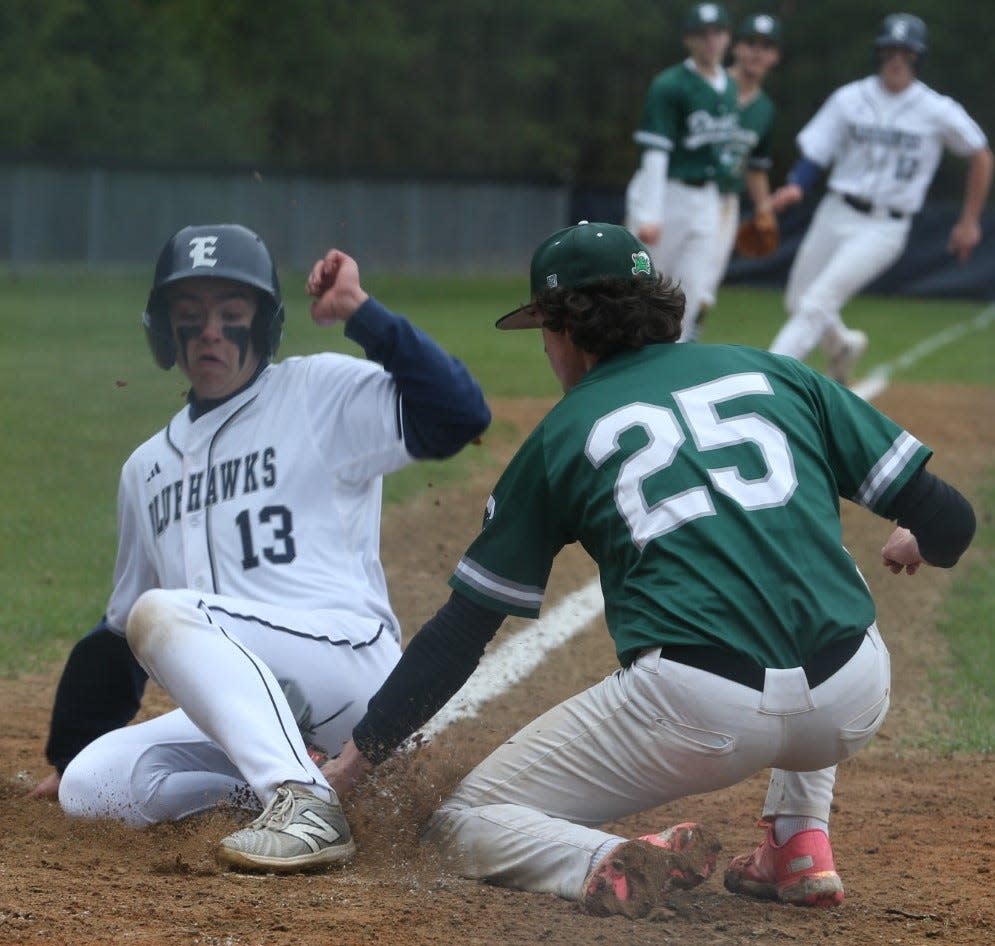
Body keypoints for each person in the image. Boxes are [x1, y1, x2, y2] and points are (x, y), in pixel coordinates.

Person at [320, 220, 976, 917]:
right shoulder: (780, 374)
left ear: (565, 329)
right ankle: (797, 839)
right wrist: (916, 537)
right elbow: (951, 523)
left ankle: (602, 860)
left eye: (542, 330)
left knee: (460, 824)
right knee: (806, 555)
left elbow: (464, 629)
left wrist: (352, 764)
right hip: (851, 699)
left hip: (695, 713)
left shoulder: (563, 432)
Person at [54, 223, 491, 873]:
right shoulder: (144, 469)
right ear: (162, 330)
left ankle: (305, 801)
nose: (209, 332)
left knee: (164, 612)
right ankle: (282, 788)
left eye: (231, 314)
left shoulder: (316, 393)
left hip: (345, 670)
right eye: (190, 316)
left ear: (261, 325)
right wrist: (66, 751)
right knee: (90, 788)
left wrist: (360, 313)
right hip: (248, 715)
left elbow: (458, 414)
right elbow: (119, 632)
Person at [768, 13, 993, 384]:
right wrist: (796, 184)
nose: (896, 59)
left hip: (884, 226)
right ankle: (841, 345)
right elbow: (816, 152)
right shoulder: (850, 98)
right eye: (889, 50)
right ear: (878, 54)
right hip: (836, 209)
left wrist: (969, 221)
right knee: (797, 299)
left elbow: (980, 153)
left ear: (919, 58)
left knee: (816, 304)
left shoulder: (936, 109)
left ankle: (766, 378)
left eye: (906, 52)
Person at [623, 3, 742, 343]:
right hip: (668, 193)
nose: (710, 41)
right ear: (688, 40)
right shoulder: (670, 85)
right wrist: (649, 213)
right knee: (645, 288)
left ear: (727, 38)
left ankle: (672, 369)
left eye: (717, 32)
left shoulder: (728, 86)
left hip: (707, 199)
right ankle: (630, 366)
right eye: (702, 34)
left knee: (691, 290)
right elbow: (656, 152)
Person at [699, 13, 782, 329]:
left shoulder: (765, 110)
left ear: (775, 57)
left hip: (724, 203)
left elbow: (756, 167)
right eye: (751, 43)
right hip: (682, 192)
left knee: (704, 287)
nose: (757, 53)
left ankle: (684, 345)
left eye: (767, 46)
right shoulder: (708, 87)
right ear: (736, 47)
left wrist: (764, 208)